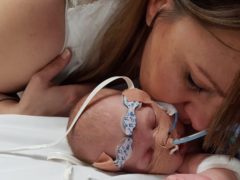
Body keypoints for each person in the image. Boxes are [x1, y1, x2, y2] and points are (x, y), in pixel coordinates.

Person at [0, 0, 239, 161]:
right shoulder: (42, 21)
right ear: (158, 5)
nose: (201, 124)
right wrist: (18, 112)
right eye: (194, 82)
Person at [67, 87, 240, 179]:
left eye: (154, 123)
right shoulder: (181, 163)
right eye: (149, 155)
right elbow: (223, 167)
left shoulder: (191, 105)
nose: (165, 142)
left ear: (144, 98)